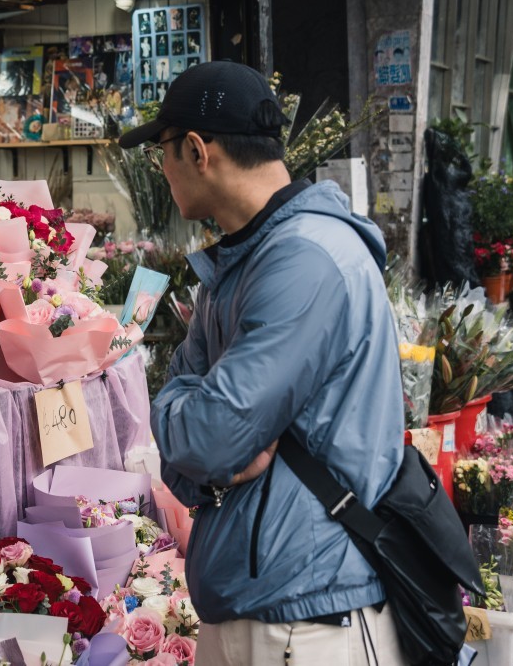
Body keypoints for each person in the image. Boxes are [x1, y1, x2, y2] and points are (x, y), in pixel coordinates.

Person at [118, 60, 407, 665]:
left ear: (197, 150)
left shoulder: (303, 258)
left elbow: (209, 434)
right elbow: (189, 439)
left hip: (307, 616)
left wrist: (194, 430)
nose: (161, 169)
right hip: (263, 597)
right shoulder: (245, 258)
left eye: (163, 151)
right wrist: (195, 432)